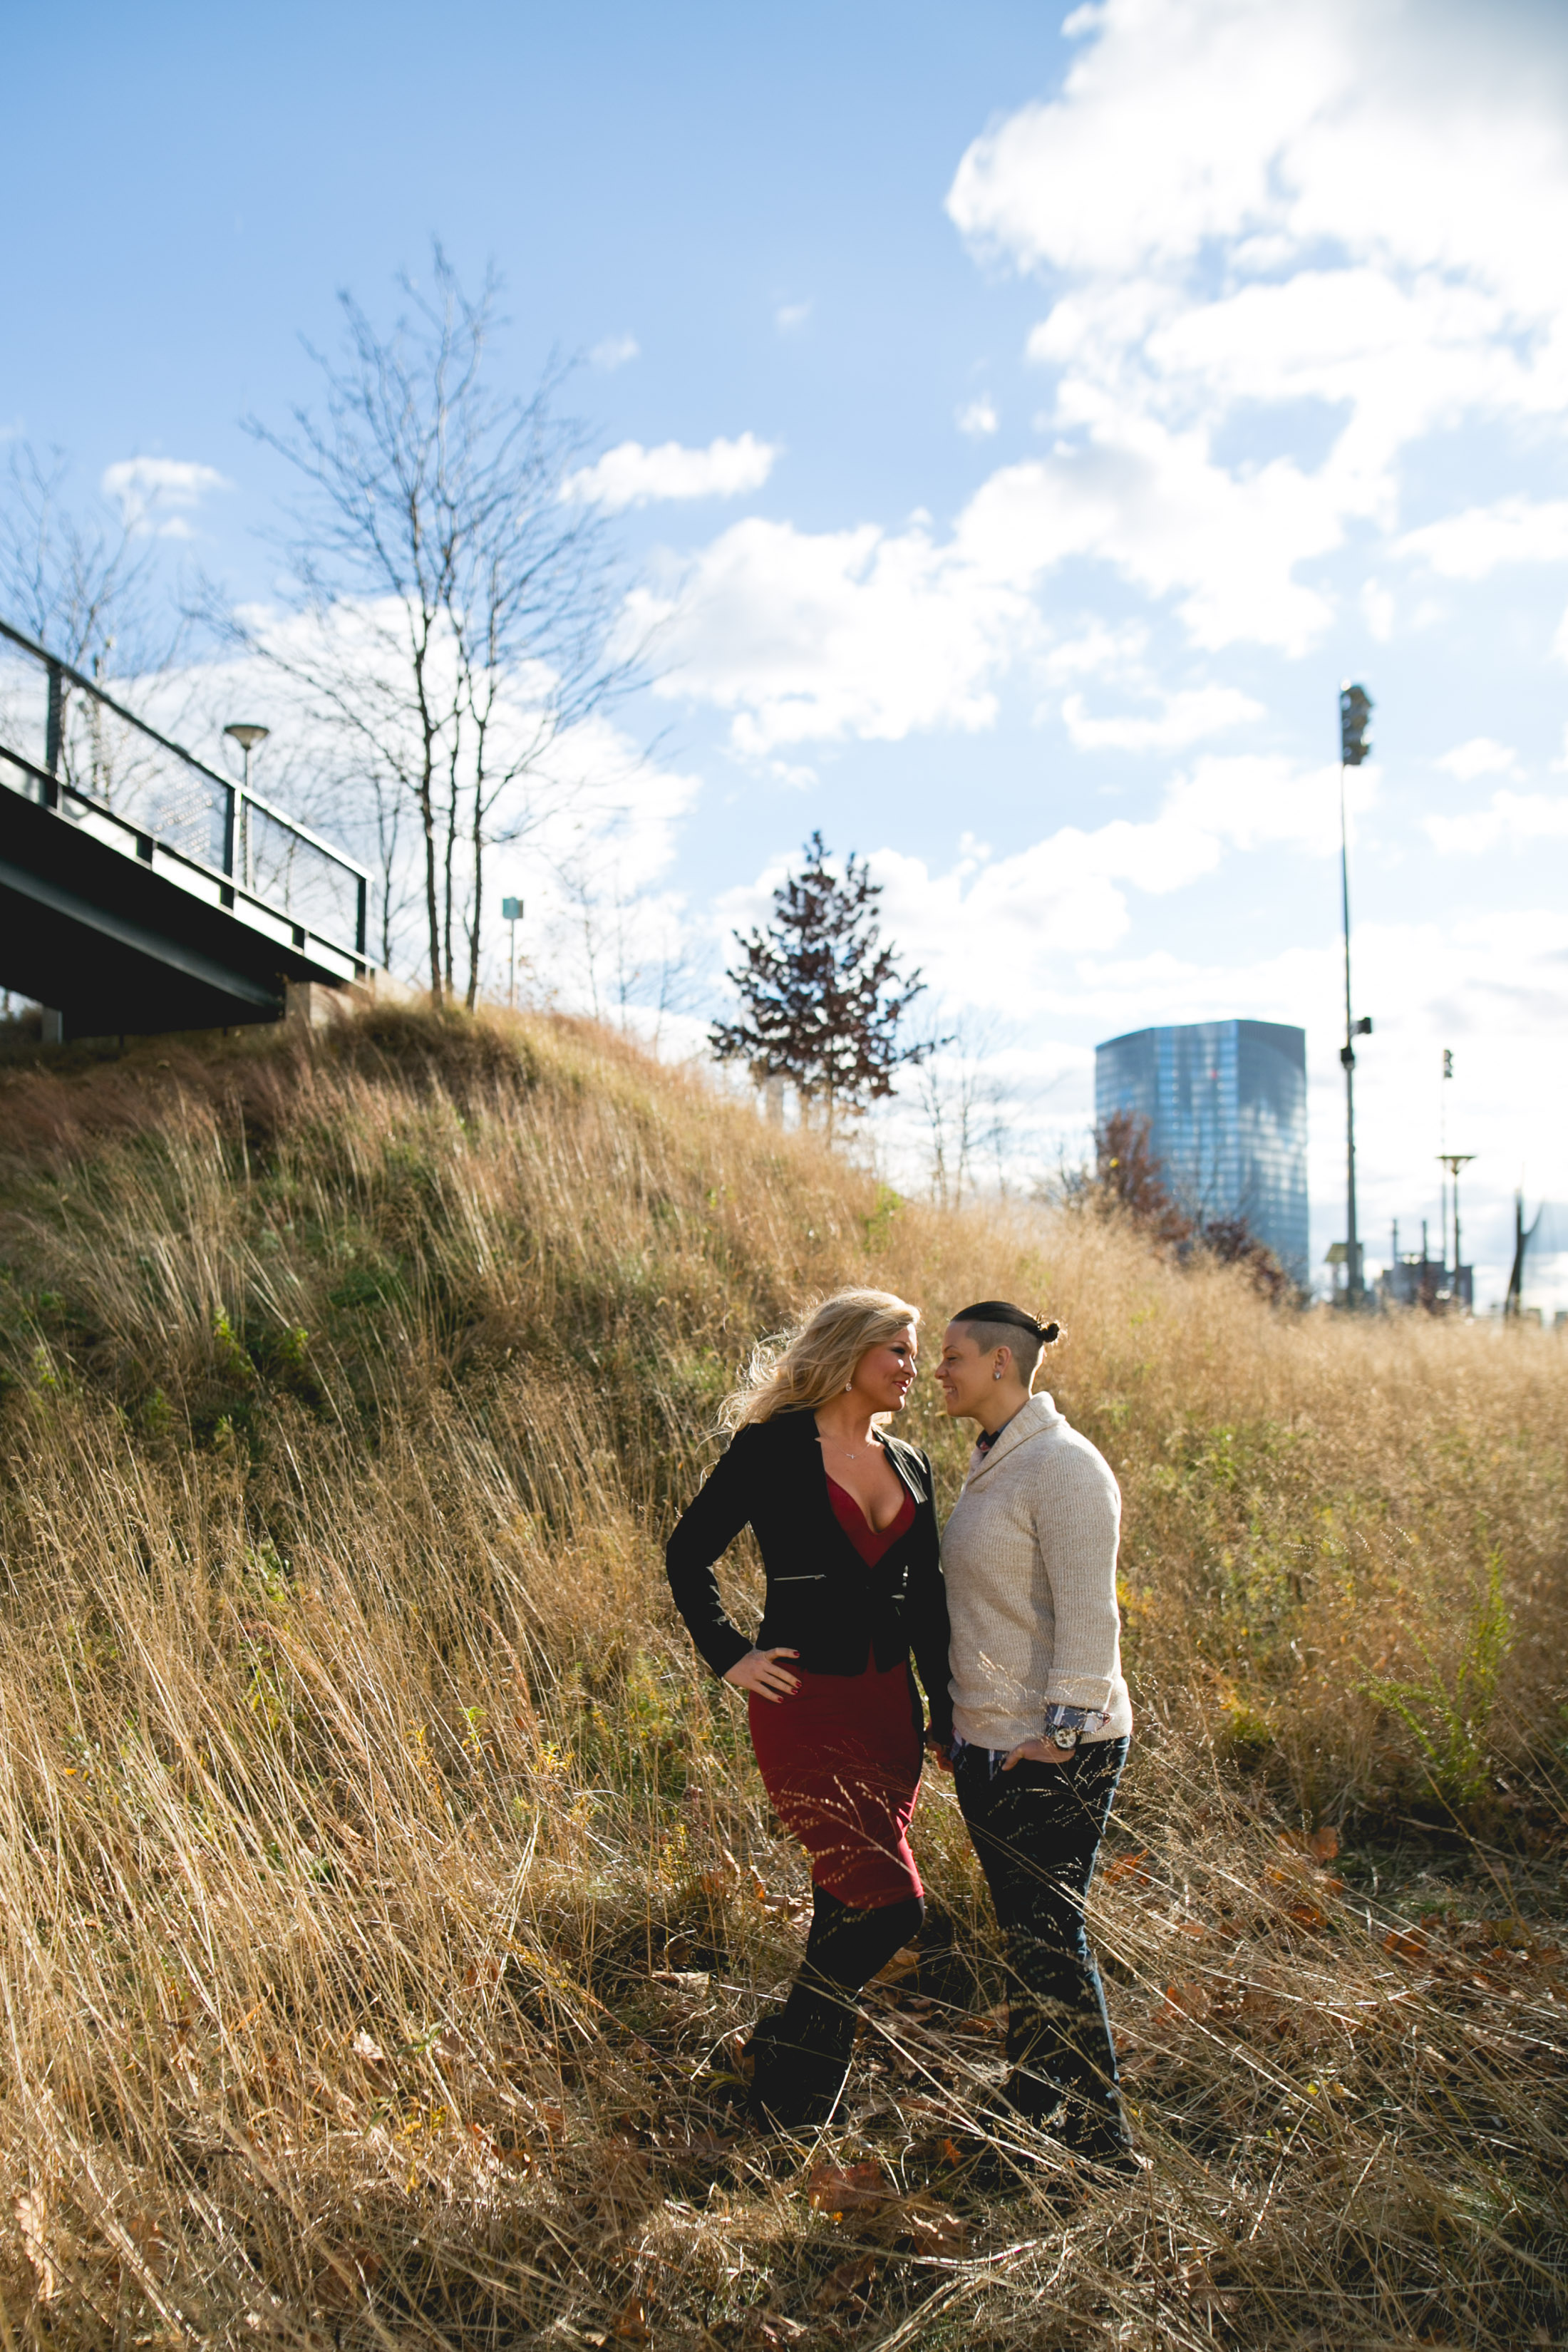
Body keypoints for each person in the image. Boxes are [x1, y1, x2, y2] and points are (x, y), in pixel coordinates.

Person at [666, 1289, 953, 2128]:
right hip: (803, 1701)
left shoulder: (910, 1462)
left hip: (887, 1707)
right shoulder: (771, 1449)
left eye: (916, 1352)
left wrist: (941, 1709)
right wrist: (729, 1655)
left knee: (842, 1904)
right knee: (893, 1905)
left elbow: (928, 1601)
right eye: (898, 1350)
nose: (913, 1368)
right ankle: (787, 2038)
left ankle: (791, 2109)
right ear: (852, 1351)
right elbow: (688, 1555)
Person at [933, 1300, 1135, 2167]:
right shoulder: (992, 1462)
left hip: (1056, 1750)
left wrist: (1058, 1735)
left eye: (951, 1357)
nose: (936, 1372)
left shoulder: (1062, 1466)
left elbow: (1092, 1612)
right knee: (1025, 1932)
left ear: (1000, 1367)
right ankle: (1031, 2099)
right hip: (989, 1742)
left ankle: (1104, 2142)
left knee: (1052, 1932)